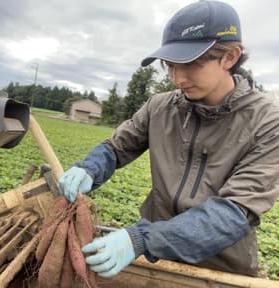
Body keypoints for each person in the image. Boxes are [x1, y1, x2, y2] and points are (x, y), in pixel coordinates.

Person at [58, 0, 279, 278]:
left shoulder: (268, 122)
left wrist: (142, 239)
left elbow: (235, 212)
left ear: (230, 57)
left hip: (220, 269)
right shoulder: (160, 107)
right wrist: (90, 167)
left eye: (191, 64)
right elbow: (116, 148)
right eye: (170, 65)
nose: (177, 77)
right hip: (154, 260)